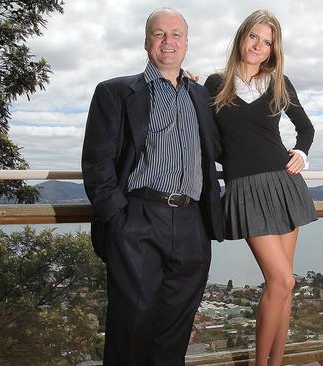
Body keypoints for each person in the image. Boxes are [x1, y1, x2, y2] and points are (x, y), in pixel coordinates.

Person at [81, 8, 222, 366]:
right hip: (139, 219)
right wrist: (120, 218)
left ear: (187, 43)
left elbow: (224, 149)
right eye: (159, 34)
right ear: (147, 42)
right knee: (131, 325)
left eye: (176, 34)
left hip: (193, 224)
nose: (168, 41)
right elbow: (97, 163)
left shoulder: (201, 97)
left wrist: (291, 154)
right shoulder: (115, 92)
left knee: (175, 329)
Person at [204, 9, 317, 366]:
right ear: (241, 37)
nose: (259, 46)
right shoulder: (213, 84)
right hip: (246, 189)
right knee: (282, 281)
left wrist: (301, 153)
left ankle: (276, 362)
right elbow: (212, 143)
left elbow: (307, 129)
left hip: (284, 185)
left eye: (267, 42)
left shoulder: (279, 82)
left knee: (285, 287)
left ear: (273, 49)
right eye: (254, 36)